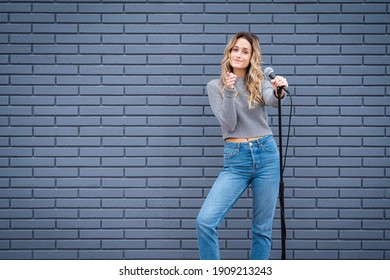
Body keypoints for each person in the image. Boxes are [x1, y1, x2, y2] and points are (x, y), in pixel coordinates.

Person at [196, 32, 289, 260]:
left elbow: (272, 100)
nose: (239, 54)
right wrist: (229, 91)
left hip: (266, 155)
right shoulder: (215, 86)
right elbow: (229, 124)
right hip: (236, 160)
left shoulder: (260, 81)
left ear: (251, 57)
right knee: (205, 221)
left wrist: (279, 89)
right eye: (236, 49)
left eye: (245, 51)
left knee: (262, 229)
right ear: (229, 52)